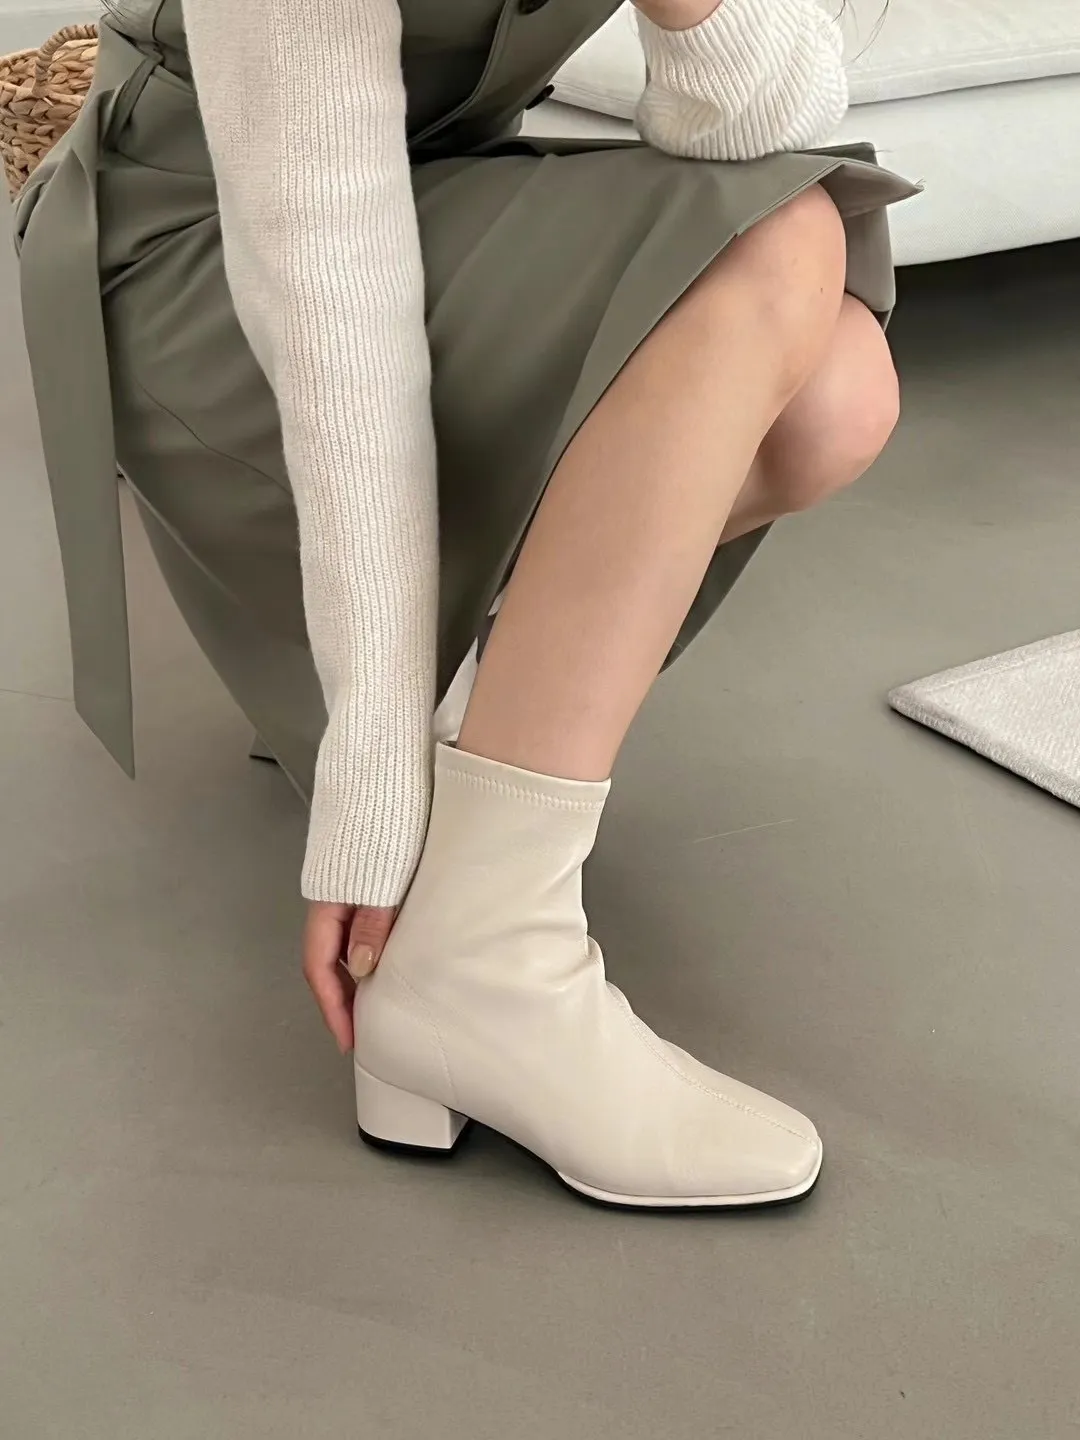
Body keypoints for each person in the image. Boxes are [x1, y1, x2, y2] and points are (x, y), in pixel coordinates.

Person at [16, 0, 916, 1209]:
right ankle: (492, 959)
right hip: (207, 249)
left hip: (437, 190)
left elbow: (776, 115)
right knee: (776, 244)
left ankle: (471, 918)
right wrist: (376, 782)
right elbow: (331, 296)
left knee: (836, 397)